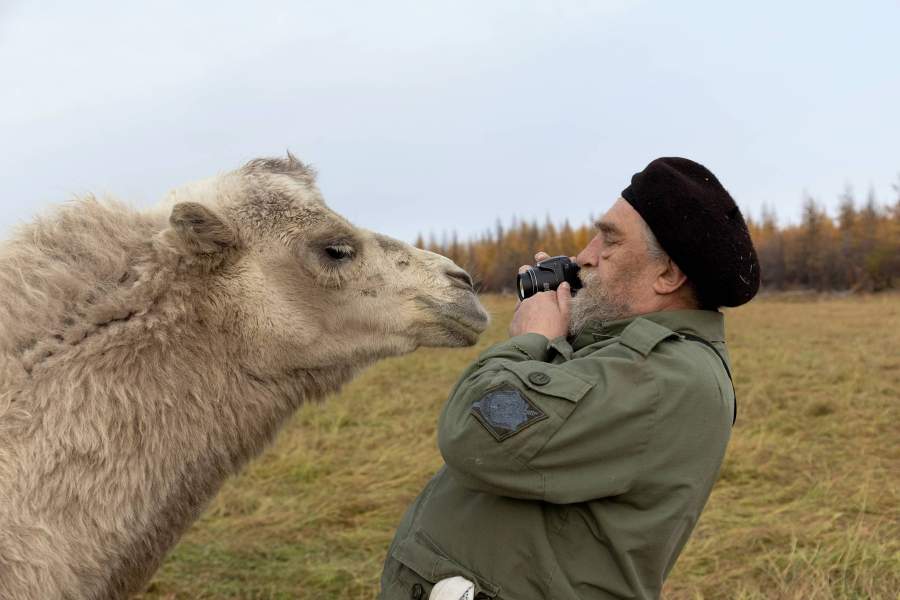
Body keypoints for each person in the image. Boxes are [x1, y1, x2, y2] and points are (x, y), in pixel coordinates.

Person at [379, 157, 760, 600]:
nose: (584, 256)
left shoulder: (663, 378)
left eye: (610, 241)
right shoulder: (625, 356)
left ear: (668, 274)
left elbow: (478, 435)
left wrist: (532, 338)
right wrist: (575, 316)